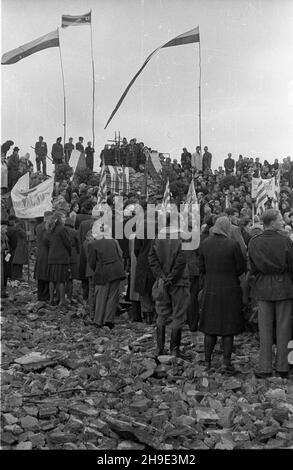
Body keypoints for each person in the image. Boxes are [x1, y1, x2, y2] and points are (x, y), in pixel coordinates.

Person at [248, 209, 293, 379]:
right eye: (280, 219)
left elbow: (251, 268)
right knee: (284, 328)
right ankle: (283, 367)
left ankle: (265, 367)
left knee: (264, 329)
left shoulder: (254, 242)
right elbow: (291, 265)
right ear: (272, 222)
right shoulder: (285, 240)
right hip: (284, 287)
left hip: (263, 286)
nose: (283, 221)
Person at [199, 216, 246, 373]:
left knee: (210, 327)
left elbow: (201, 268)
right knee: (228, 327)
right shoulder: (232, 245)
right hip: (230, 289)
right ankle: (226, 363)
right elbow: (241, 268)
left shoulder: (205, 244)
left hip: (210, 288)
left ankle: (207, 362)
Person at [148, 213, 190, 358]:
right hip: (179, 282)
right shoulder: (181, 238)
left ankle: (159, 348)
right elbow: (181, 260)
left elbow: (152, 258)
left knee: (161, 313)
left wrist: (162, 276)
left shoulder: (157, 238)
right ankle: (174, 349)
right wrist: (171, 277)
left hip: (163, 281)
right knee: (178, 314)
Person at [88, 222, 126, 329]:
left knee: (101, 296)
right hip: (117, 270)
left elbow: (92, 262)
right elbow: (120, 254)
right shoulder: (113, 241)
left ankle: (98, 320)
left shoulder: (93, 244)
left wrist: (97, 269)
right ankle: (109, 321)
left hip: (103, 272)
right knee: (112, 296)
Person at [45, 211, 71, 307]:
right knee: (61, 280)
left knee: (52, 279)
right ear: (60, 219)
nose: (65, 219)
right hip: (61, 257)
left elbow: (46, 241)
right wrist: (70, 253)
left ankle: (51, 299)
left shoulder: (50, 229)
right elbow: (67, 243)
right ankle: (62, 300)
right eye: (64, 218)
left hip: (52, 257)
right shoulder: (62, 229)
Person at [34, 211, 52, 301]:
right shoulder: (48, 227)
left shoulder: (37, 227)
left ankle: (40, 295)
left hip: (40, 252)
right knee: (47, 275)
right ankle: (45, 296)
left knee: (40, 275)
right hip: (47, 253)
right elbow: (47, 240)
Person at [64, 218, 80, 303]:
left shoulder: (61, 231)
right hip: (73, 256)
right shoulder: (75, 232)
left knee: (63, 277)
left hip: (62, 254)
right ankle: (70, 296)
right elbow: (79, 245)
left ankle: (62, 295)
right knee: (71, 278)